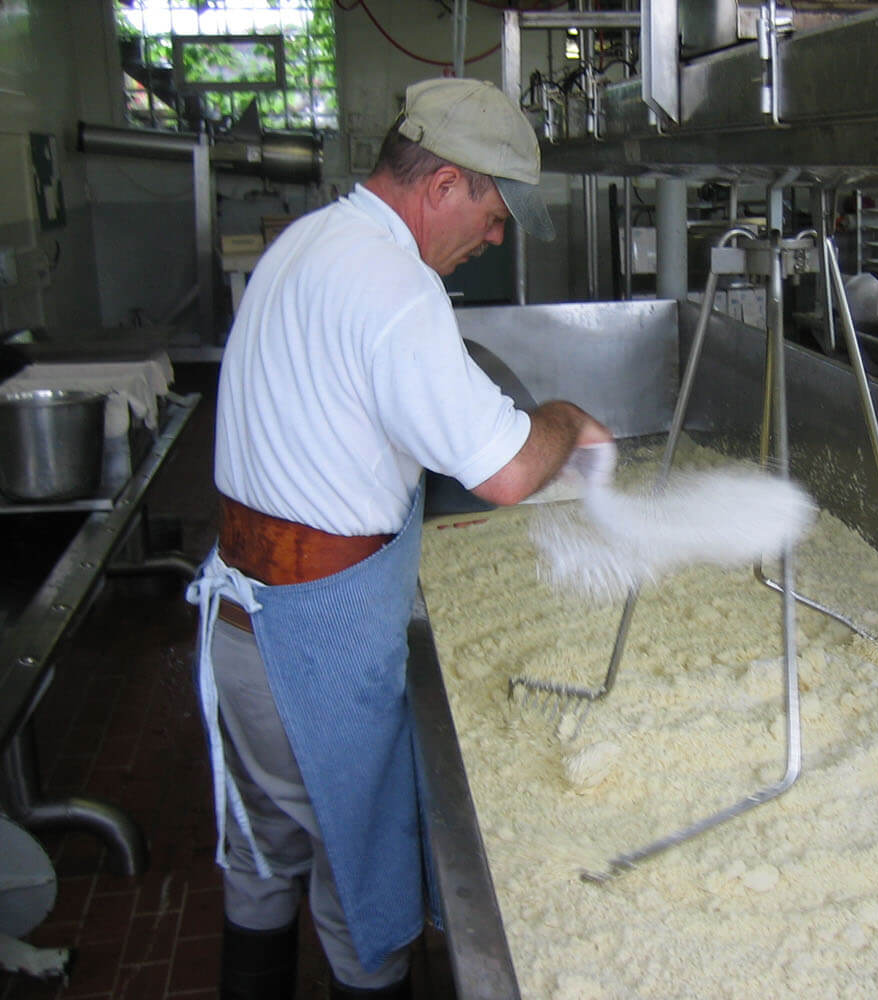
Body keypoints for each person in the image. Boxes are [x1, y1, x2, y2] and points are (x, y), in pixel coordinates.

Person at [186, 77, 611, 999]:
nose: (493, 238)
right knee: (363, 889)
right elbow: (502, 472)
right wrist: (566, 420)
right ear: (445, 184)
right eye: (495, 214)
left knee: (263, 853)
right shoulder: (395, 287)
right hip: (315, 645)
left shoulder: (305, 243)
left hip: (244, 623)